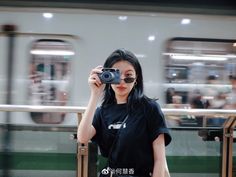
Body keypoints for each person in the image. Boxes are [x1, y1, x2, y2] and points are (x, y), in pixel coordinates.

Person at [77, 49, 172, 177]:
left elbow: (160, 160)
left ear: (136, 78)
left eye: (128, 76)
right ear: (107, 77)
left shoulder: (149, 108)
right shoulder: (103, 111)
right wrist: (95, 94)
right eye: (116, 75)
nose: (122, 80)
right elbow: (82, 137)